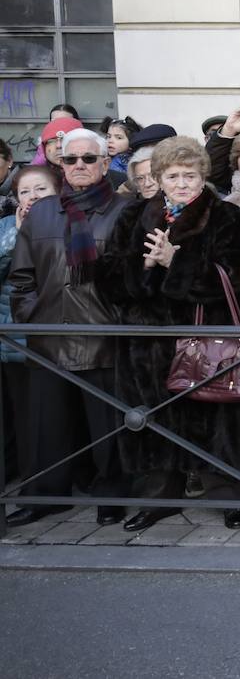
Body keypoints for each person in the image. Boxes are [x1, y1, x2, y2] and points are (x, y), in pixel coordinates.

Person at [98, 136, 240, 532]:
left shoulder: (225, 216)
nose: (182, 183)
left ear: (203, 176)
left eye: (190, 175)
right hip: (147, 339)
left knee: (215, 418)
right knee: (152, 418)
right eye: (173, 176)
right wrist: (145, 267)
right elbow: (109, 281)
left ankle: (229, 498)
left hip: (203, 335)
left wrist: (176, 262)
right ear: (158, 178)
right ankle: (158, 499)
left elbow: (233, 281)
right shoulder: (134, 216)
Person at [6, 131, 129, 529]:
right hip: (49, 337)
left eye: (88, 159)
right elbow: (21, 277)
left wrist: (117, 321)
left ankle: (112, 495)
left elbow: (132, 279)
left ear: (105, 163)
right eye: (70, 160)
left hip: (104, 337)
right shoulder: (41, 213)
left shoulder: (126, 210)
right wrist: (32, 315)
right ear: (60, 166)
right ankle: (45, 496)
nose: (79, 166)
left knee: (108, 428)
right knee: (48, 428)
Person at [0, 165, 62, 511]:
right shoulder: (6, 228)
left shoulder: (65, 222)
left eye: (41, 189)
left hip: (53, 336)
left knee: (49, 418)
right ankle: (30, 486)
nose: (33, 197)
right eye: (25, 191)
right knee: (22, 419)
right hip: (12, 338)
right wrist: (16, 239)